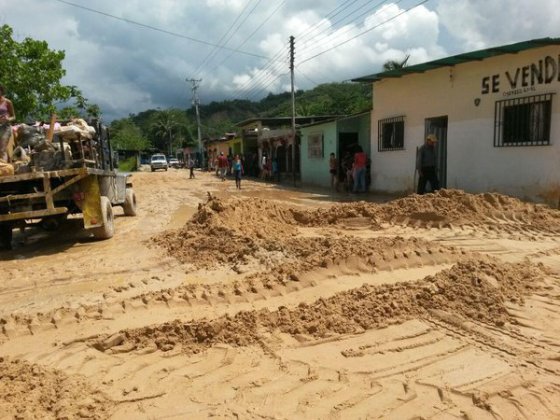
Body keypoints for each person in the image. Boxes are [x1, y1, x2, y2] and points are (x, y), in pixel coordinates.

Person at [0, 84, 16, 162]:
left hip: (5, 127)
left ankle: (4, 169)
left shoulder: (7, 102)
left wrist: (7, 119)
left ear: (1, 91)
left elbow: (13, 116)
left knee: (2, 149)